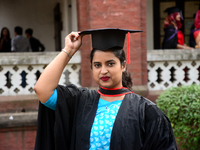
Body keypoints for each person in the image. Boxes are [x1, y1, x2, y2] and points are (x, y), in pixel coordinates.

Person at [34, 28, 178, 150]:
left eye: (110, 64)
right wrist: (69, 50)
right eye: (97, 65)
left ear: (123, 65)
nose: (103, 71)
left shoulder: (146, 111)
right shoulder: (80, 100)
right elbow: (42, 90)